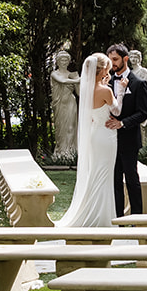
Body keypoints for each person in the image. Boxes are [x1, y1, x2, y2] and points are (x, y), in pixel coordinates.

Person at [54, 52, 120, 227]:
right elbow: (117, 111)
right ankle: (102, 218)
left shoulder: (86, 89)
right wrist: (119, 91)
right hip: (106, 135)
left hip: (93, 134)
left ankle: (94, 212)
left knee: (96, 173)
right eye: (108, 67)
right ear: (103, 69)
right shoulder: (106, 90)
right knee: (104, 175)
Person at [105, 43, 147, 217]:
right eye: (110, 60)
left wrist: (122, 123)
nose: (112, 64)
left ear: (125, 59)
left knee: (132, 180)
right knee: (114, 181)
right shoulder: (106, 82)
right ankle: (118, 219)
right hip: (109, 141)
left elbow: (142, 114)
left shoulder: (139, 83)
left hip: (129, 140)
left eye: (115, 60)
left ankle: (137, 218)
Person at [48, 49, 80, 159]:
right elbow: (62, 81)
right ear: (57, 61)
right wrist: (79, 80)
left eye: (66, 60)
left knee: (71, 127)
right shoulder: (55, 74)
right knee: (61, 129)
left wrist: (77, 79)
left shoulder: (72, 75)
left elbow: (79, 92)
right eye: (62, 59)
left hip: (71, 102)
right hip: (60, 104)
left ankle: (70, 152)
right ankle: (61, 152)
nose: (64, 62)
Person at [127, 49, 147, 143]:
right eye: (131, 57)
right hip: (131, 105)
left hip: (142, 104)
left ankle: (143, 153)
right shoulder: (129, 73)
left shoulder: (144, 71)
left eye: (135, 57)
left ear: (139, 59)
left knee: (142, 128)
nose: (133, 59)